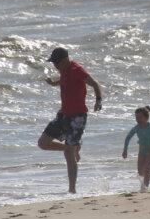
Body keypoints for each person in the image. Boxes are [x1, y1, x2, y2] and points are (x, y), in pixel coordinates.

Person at [38, 47, 102, 193]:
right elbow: (63, 80)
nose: (55, 66)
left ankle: (72, 190)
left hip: (77, 117)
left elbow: (95, 84)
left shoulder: (76, 69)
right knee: (43, 143)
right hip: (63, 114)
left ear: (65, 60)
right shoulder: (64, 70)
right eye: (53, 63)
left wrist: (98, 100)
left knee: (68, 154)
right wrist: (53, 83)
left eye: (56, 63)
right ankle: (72, 149)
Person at [123, 105, 150, 192]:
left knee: (147, 169)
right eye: (136, 118)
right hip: (142, 151)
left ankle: (145, 188)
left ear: (146, 117)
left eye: (140, 117)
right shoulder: (136, 128)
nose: (138, 120)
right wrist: (125, 150)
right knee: (140, 172)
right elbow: (128, 138)